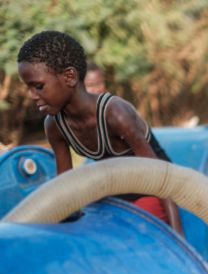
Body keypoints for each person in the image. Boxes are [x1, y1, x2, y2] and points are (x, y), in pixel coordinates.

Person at [17, 31, 183, 234]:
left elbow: (161, 179)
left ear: (69, 77)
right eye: (28, 88)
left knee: (135, 227)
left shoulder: (115, 113)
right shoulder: (54, 125)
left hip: (152, 190)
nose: (32, 95)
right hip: (114, 190)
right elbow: (64, 188)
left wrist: (178, 237)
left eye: (38, 86)